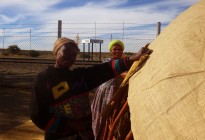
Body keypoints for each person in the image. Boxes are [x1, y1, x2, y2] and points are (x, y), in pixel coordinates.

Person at [30, 37, 152, 140]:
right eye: (66, 52)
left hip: (85, 135)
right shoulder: (44, 79)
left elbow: (103, 70)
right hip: (59, 136)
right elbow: (37, 114)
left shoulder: (79, 77)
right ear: (56, 52)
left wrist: (133, 59)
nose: (70, 56)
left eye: (74, 54)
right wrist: (73, 124)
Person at [91, 39, 127, 139]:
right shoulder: (107, 62)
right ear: (110, 50)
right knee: (102, 115)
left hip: (118, 93)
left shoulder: (126, 62)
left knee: (114, 118)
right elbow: (118, 72)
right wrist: (124, 74)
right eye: (114, 49)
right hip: (105, 93)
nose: (117, 51)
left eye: (120, 49)